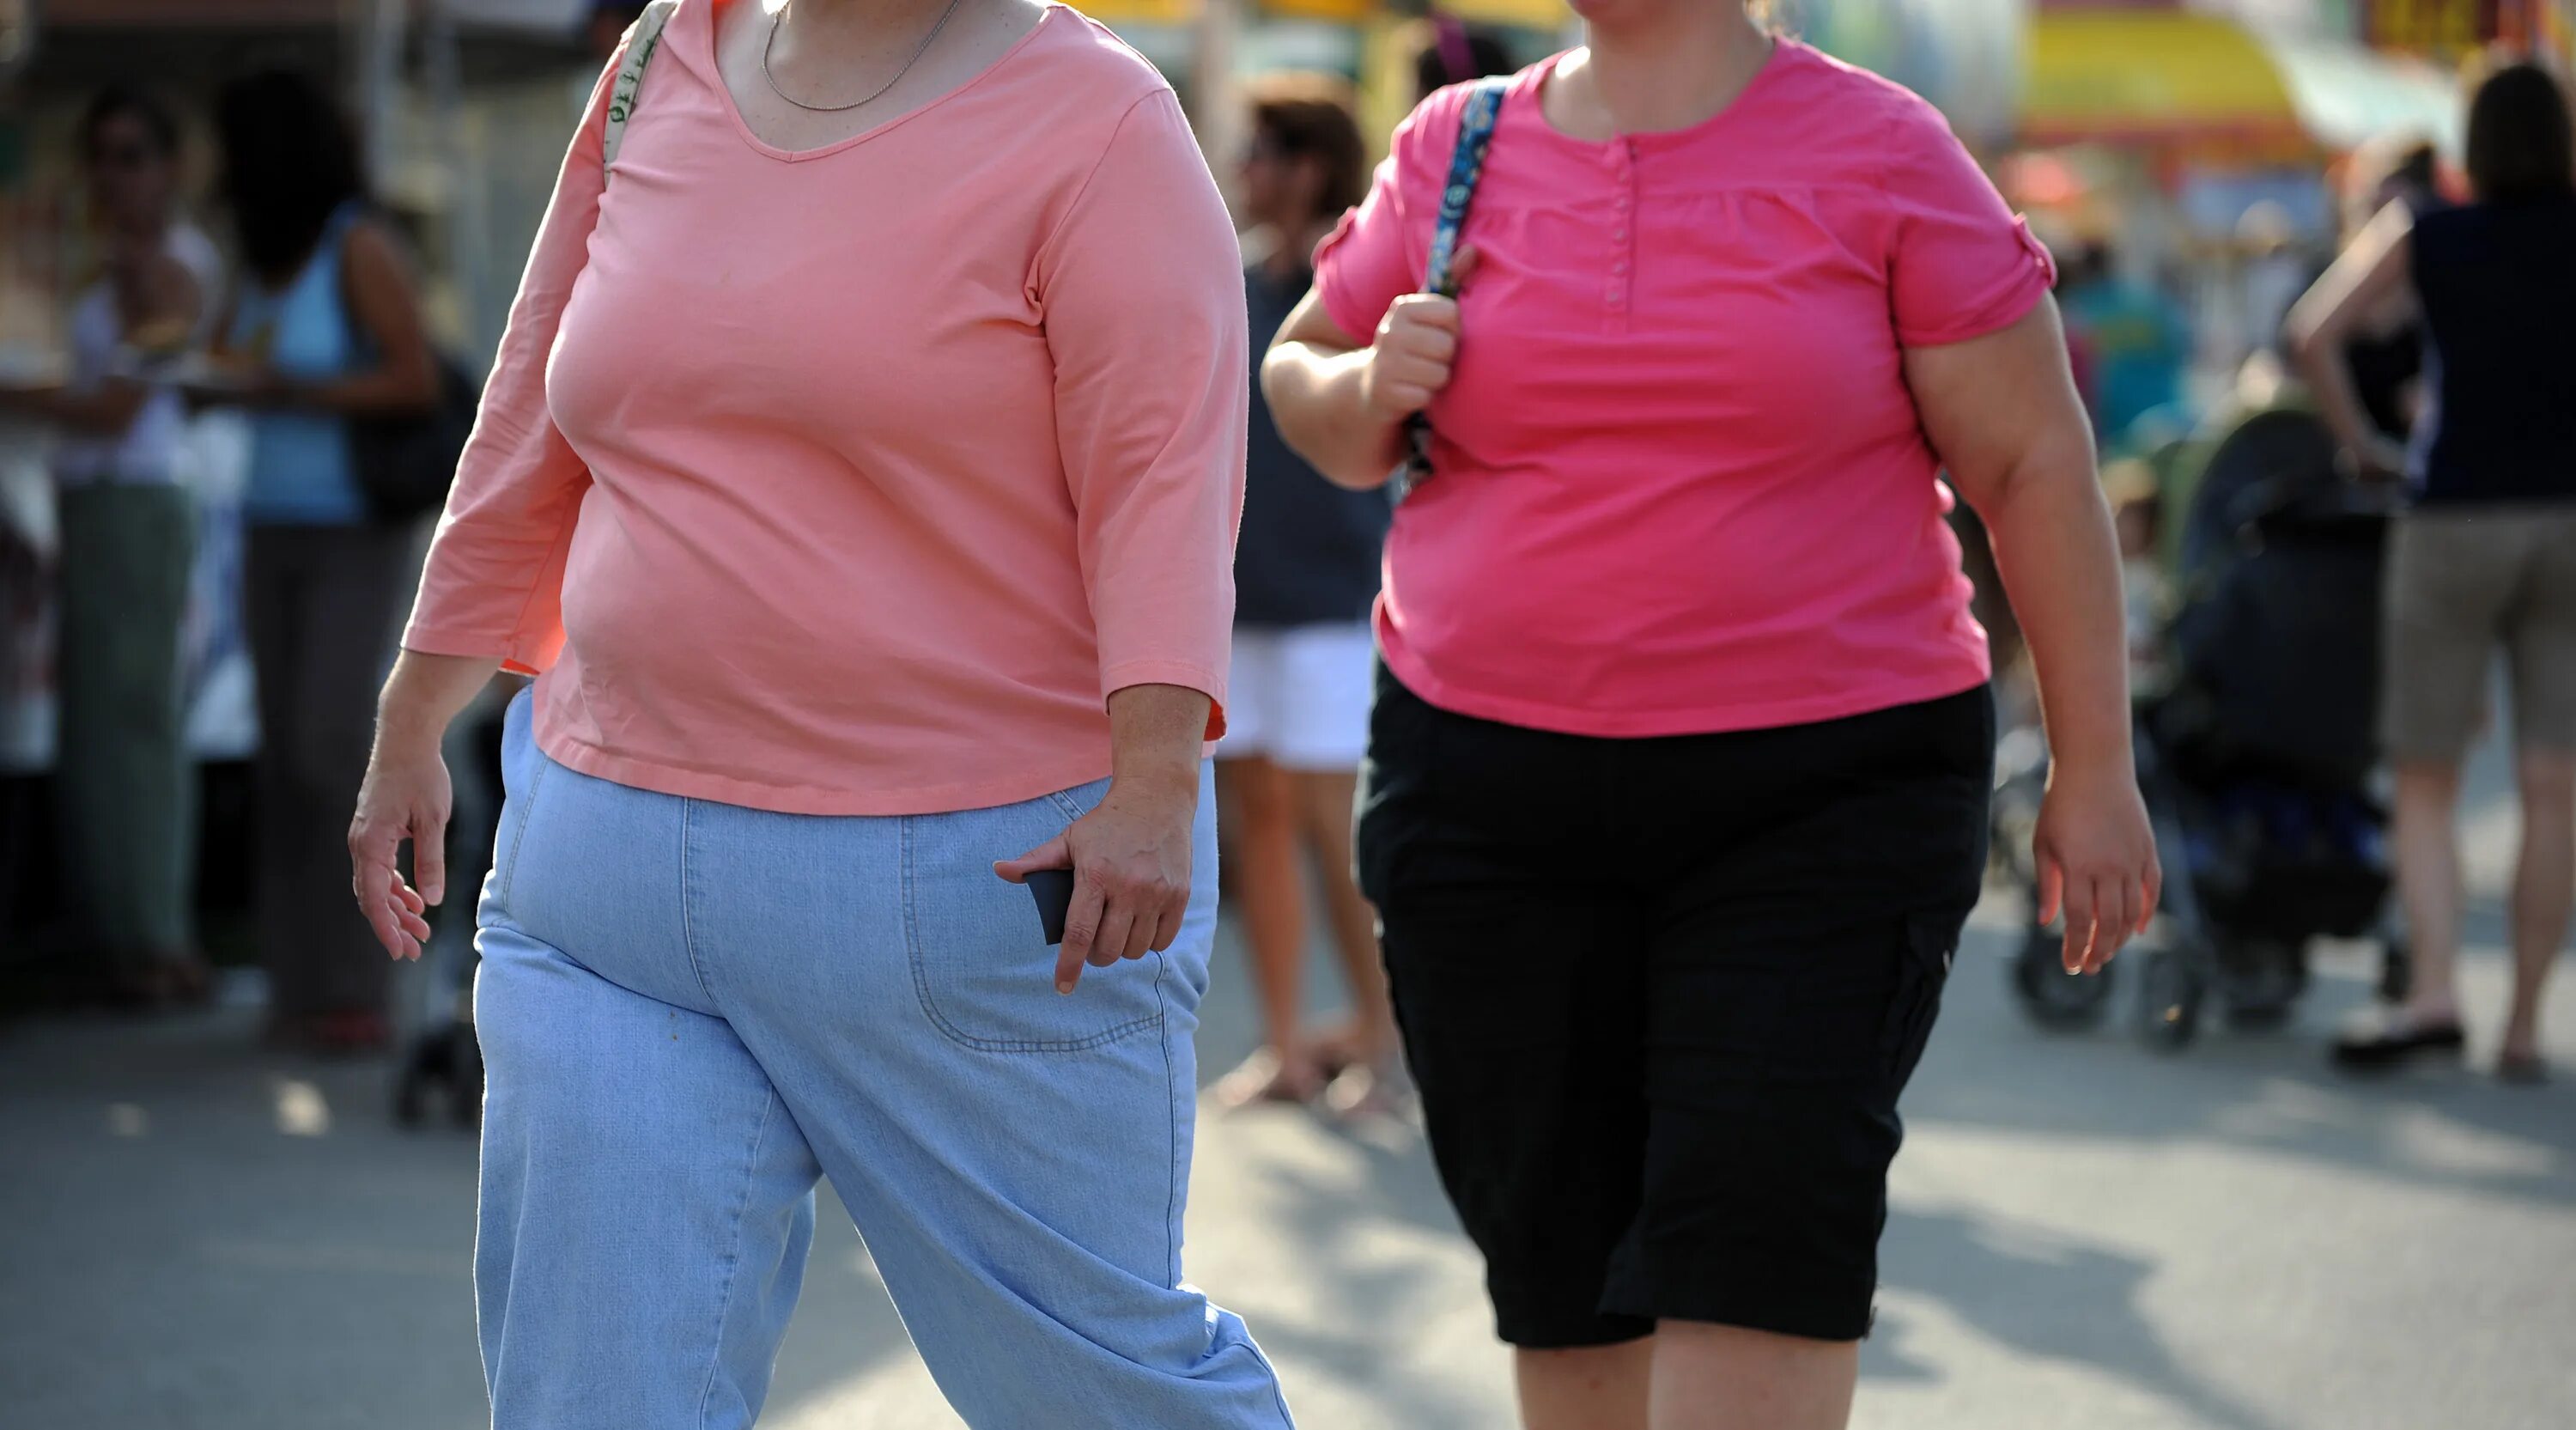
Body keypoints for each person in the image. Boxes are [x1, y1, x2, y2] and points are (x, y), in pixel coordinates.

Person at [347, 2, 1291, 1425]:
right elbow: (534, 413)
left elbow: (1164, 477)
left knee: (1098, 1393)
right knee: (593, 1398)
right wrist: (419, 703)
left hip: (969, 886)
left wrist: (1158, 781)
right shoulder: (659, 59)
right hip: (605, 889)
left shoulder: (1101, 121)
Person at [1261, 1, 2160, 1426]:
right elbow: (1299, 371)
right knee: (1557, 1264)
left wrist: (2095, 766)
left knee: (1759, 1240)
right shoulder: (1462, 143)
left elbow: (2038, 464)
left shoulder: (1882, 149)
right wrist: (1366, 384)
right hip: (1486, 795)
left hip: (1824, 798)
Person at [2290, 62, 2576, 1086]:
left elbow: (2310, 330)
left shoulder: (2429, 232)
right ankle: (2527, 1025)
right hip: (2568, 520)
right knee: (2555, 786)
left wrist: (2365, 442)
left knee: (2424, 779)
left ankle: (2436, 994)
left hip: (2452, 512)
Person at [205, 70, 440, 1054]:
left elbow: (417, 377)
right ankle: (298, 985)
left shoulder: (359, 244)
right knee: (285, 763)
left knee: (329, 746)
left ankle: (365, 981)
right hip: (271, 523)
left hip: (354, 528)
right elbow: (225, 357)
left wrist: (295, 391)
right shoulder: (257, 259)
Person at [0, 88, 222, 1006]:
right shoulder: (115, 262)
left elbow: (123, 403)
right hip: (95, 505)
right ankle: (124, 936)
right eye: (104, 155)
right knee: (99, 732)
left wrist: (16, 400)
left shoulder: (173, 266)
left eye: (133, 155)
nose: (114, 174)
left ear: (169, 167)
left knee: (136, 730)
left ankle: (157, 937)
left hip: (135, 502)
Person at [1215, 75, 1396, 1110]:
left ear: (1308, 166)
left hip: (1336, 599)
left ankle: (1380, 1042)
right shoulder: (1232, 279)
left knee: (1338, 831)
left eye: (1259, 152)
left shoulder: (1360, 280)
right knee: (1262, 826)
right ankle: (1284, 1048)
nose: (1243, 171)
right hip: (1238, 598)